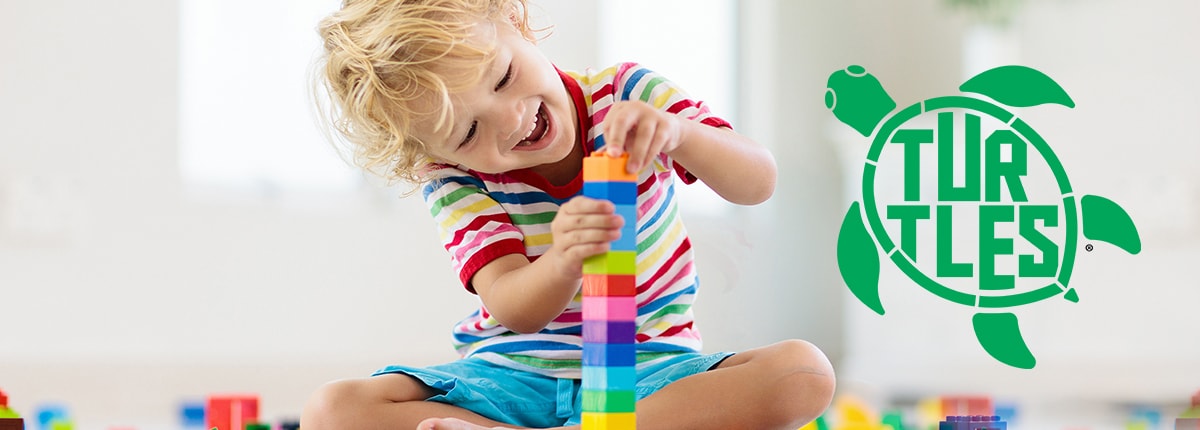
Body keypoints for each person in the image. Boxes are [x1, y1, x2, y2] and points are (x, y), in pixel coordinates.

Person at [301, 1, 835, 429]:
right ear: (438, 152)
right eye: (468, 132)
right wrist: (564, 261)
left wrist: (682, 134)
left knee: (803, 372)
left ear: (514, 19)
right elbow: (512, 306)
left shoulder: (627, 93)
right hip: (513, 377)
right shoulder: (453, 180)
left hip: (649, 369)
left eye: (503, 77)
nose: (509, 120)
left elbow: (758, 181)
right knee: (332, 412)